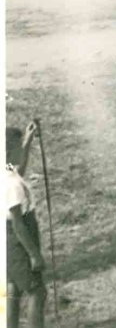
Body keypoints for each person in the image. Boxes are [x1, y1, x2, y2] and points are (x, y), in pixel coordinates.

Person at [6, 122, 46, 328]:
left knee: (12, 288)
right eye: (17, 147)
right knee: (36, 291)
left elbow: (17, 169)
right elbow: (18, 225)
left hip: (7, 240)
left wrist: (27, 141)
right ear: (7, 151)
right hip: (18, 238)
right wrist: (33, 254)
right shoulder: (11, 185)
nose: (20, 149)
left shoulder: (6, 174)